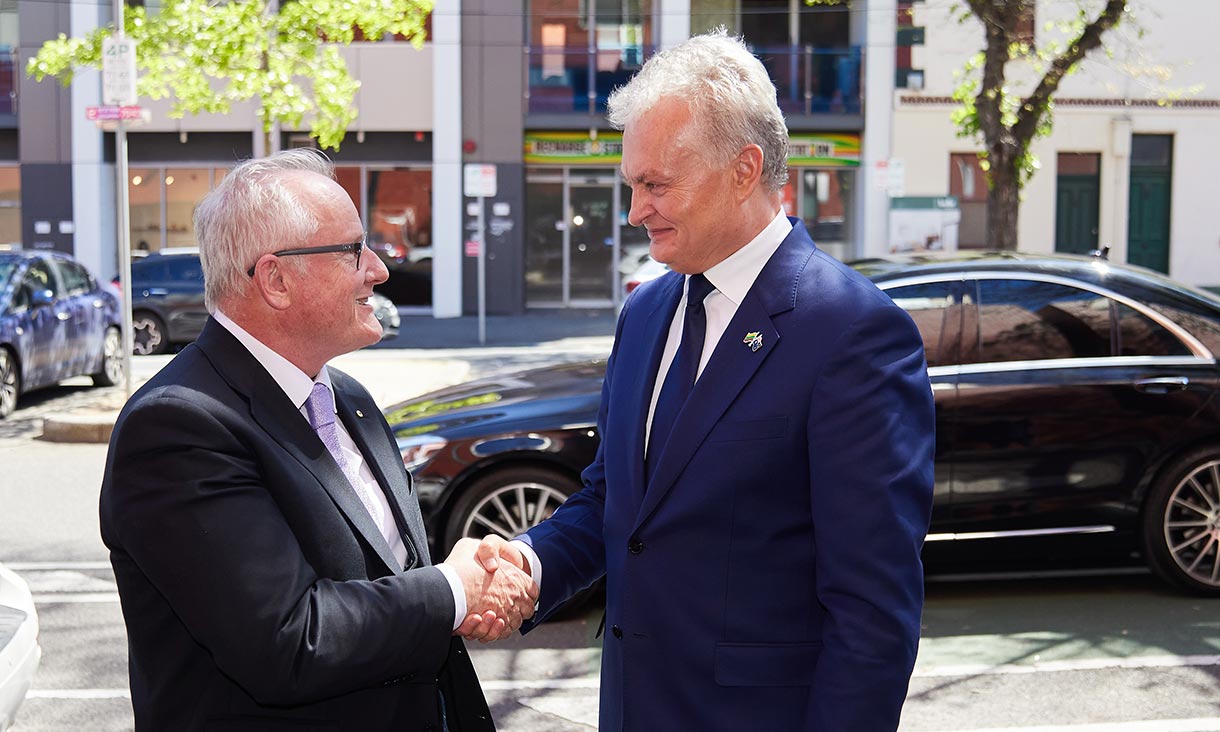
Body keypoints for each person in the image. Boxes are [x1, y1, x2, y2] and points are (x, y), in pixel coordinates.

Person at [480, 30, 935, 731]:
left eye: (656, 185)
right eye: (633, 185)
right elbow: (616, 503)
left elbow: (872, 615)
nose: (636, 211)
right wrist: (527, 563)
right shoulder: (645, 313)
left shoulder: (853, 331)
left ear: (744, 169)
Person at [99, 148, 536, 731]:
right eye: (353, 250)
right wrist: (454, 589)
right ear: (276, 279)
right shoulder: (179, 426)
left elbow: (390, 574)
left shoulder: (346, 396)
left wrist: (470, 586)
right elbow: (288, 640)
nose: (378, 269)